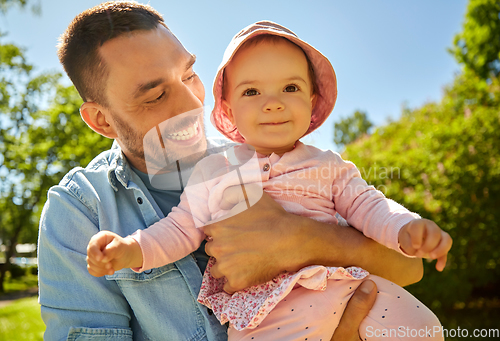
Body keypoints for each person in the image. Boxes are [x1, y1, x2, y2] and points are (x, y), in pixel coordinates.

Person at [38, 2, 423, 340]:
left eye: (189, 74)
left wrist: (306, 240)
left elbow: (408, 265)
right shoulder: (79, 212)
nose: (192, 102)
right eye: (156, 95)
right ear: (102, 120)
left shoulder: (265, 155)